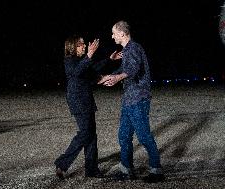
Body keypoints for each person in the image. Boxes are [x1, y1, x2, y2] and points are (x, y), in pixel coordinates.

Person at [98, 20, 165, 183]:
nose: (112, 36)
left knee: (144, 136)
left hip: (138, 99)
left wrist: (117, 78)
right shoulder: (127, 50)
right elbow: (124, 69)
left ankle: (156, 171)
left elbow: (132, 70)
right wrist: (108, 76)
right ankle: (126, 170)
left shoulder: (134, 48)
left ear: (122, 33)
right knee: (124, 135)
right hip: (129, 99)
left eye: (114, 33)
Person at [54, 34, 122, 179]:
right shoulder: (70, 60)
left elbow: (93, 70)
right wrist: (89, 55)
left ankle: (91, 170)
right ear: (72, 47)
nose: (84, 46)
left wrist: (109, 59)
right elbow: (77, 72)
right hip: (78, 102)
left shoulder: (81, 60)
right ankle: (62, 162)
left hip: (86, 101)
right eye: (81, 44)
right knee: (86, 133)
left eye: (84, 44)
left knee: (91, 136)